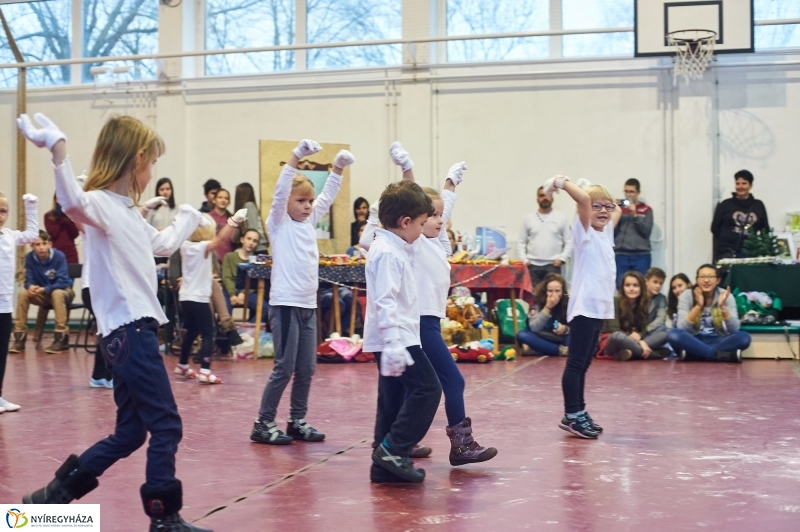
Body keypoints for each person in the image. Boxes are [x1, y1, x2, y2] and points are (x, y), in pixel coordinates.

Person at [16, 113, 211, 531]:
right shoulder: (101, 204)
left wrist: (189, 218)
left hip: (128, 334)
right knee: (166, 426)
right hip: (131, 331)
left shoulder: (124, 209)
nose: (153, 170)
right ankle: (165, 518)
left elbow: (159, 244)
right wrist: (58, 147)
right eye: (152, 161)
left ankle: (51, 498)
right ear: (138, 158)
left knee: (130, 433)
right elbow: (70, 202)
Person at [363, 141, 495, 469]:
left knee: (393, 395)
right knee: (435, 386)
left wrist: (451, 187)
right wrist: (407, 170)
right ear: (413, 222)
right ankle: (437, 445)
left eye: (437, 217)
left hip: (421, 323)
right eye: (428, 218)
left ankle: (390, 450)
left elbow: (435, 213)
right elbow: (408, 203)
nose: (435, 221)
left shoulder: (435, 243)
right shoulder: (408, 243)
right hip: (412, 324)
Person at [250, 140, 353, 446]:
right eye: (302, 201)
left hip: (308, 305)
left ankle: (297, 420)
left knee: (307, 367)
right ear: (286, 203)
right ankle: (263, 422)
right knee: (285, 367)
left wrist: (337, 168)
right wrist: (295, 157)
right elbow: (281, 191)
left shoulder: (308, 222)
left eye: (310, 201)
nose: (308, 205)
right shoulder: (278, 223)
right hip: (285, 304)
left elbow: (329, 195)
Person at [363, 178, 442, 484]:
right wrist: (394, 343)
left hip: (395, 335)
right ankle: (394, 448)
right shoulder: (387, 253)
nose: (423, 230)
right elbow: (384, 300)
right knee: (428, 389)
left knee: (392, 397)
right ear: (405, 221)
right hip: (396, 336)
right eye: (422, 223)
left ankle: (382, 463)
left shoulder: (394, 246)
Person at [543, 175, 621, 439]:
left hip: (598, 308)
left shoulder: (606, 232)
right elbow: (584, 200)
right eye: (595, 207)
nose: (602, 211)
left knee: (585, 363)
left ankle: (578, 411)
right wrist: (560, 183)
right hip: (585, 307)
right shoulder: (584, 233)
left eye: (606, 207)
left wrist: (596, 189)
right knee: (576, 364)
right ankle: (573, 414)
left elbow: (617, 207)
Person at [174, 211, 245, 385]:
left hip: (185, 298)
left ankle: (183, 365)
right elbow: (221, 239)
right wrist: (234, 221)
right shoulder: (202, 248)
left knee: (191, 332)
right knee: (208, 333)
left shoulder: (184, 246)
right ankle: (205, 370)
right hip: (199, 299)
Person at [0, 191, 38, 413]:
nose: (0, 216)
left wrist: (31, 207)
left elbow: (33, 234)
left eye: (3, 211)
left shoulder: (10, 236)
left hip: (4, 306)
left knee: (1, 352)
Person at [666, 264, 751, 363]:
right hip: (693, 339)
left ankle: (694, 354)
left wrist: (723, 307)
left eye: (710, 277)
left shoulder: (726, 295)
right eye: (702, 277)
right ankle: (718, 355)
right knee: (673, 334)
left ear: (718, 280)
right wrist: (698, 306)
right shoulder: (687, 295)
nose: (706, 280)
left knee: (744, 337)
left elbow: (734, 329)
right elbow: (681, 328)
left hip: (718, 339)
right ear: (697, 280)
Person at [10, 231, 74, 354]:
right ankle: (19, 338)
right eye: (37, 244)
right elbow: (29, 278)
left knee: (57, 293)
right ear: (32, 246)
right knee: (23, 294)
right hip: (44, 294)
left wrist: (45, 289)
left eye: (44, 243)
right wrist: (31, 286)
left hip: (64, 292)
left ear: (50, 244)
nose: (41, 247)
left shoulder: (59, 256)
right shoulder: (29, 258)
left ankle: (60, 337)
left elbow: (63, 281)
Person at [602, 271, 670, 361]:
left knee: (668, 332)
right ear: (623, 287)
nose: (631, 289)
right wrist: (640, 342)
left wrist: (640, 335)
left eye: (635, 285)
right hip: (612, 341)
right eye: (627, 285)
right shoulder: (615, 301)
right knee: (617, 336)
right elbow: (614, 329)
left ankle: (629, 353)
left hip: (633, 341)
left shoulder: (644, 304)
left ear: (641, 287)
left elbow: (643, 328)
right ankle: (649, 354)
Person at [517, 186, 573, 288]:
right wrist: (524, 260)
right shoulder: (529, 219)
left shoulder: (561, 218)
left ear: (552, 198)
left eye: (548, 195)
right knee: (534, 299)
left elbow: (569, 241)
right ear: (537, 199)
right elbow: (521, 242)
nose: (545, 198)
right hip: (532, 266)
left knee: (554, 298)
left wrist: (562, 259)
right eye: (541, 195)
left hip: (553, 266)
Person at [711, 170, 770, 263]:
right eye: (737, 183)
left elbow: (765, 229)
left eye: (744, 183)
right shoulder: (725, 204)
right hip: (726, 252)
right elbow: (715, 227)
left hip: (750, 252)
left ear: (750, 185)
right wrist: (727, 239)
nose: (740, 186)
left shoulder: (758, 205)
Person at [516, 273, 570, 357]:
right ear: (545, 291)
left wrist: (565, 329)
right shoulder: (538, 301)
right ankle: (560, 350)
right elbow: (534, 327)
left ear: (562, 291)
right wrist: (547, 307)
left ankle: (539, 349)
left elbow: (577, 327)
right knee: (522, 335)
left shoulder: (568, 301)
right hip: (542, 335)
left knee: (575, 339)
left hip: (562, 337)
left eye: (557, 291)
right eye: (550, 291)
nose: (553, 294)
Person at [221, 229, 269, 321]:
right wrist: (232, 295)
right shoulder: (229, 257)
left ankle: (248, 331)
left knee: (265, 308)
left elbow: (255, 282)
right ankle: (227, 333)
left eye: (255, 241)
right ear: (242, 239)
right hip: (229, 290)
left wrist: (243, 293)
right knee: (225, 311)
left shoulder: (258, 260)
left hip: (248, 291)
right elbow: (227, 278)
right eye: (249, 239)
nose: (251, 243)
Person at [614, 178, 653, 287]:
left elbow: (646, 231)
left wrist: (635, 215)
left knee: (641, 286)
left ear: (638, 192)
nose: (628, 195)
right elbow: (611, 229)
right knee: (621, 286)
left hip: (641, 255)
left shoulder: (646, 210)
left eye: (631, 192)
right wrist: (613, 210)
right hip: (621, 254)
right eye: (626, 191)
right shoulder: (619, 209)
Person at [234, 182, 268, 253]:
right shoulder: (250, 206)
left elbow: (253, 230)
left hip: (257, 248)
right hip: (257, 247)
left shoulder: (248, 206)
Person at [44, 196, 79, 264]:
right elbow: (53, 233)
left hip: (70, 252)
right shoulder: (48, 216)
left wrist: (68, 216)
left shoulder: (71, 215)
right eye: (59, 199)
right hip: (55, 252)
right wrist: (59, 218)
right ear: (55, 200)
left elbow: (75, 234)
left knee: (73, 273)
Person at [207, 188, 237, 263]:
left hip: (227, 259)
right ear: (214, 200)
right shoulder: (207, 217)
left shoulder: (231, 218)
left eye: (226, 198)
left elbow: (233, 239)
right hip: (211, 258)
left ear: (229, 202)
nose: (223, 200)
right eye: (220, 197)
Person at [645, 267, 667, 332]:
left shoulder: (661, 298)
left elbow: (661, 318)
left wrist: (645, 330)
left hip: (650, 330)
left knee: (663, 328)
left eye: (661, 283)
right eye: (655, 282)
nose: (658, 286)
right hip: (635, 330)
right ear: (646, 281)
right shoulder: (638, 294)